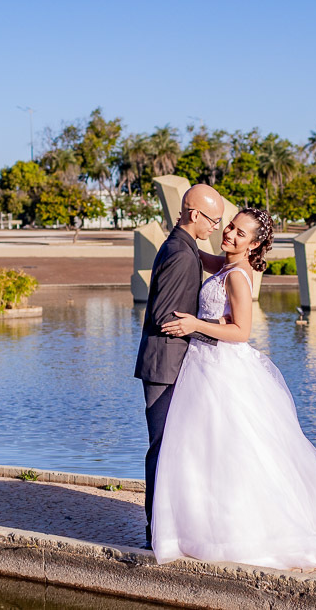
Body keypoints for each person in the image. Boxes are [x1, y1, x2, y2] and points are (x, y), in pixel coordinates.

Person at [153, 208, 316, 569]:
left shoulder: (237, 275)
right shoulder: (225, 263)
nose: (230, 234)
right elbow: (194, 252)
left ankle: (242, 530)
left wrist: (195, 324)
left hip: (221, 367)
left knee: (231, 447)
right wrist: (184, 227)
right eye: (230, 226)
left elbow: (241, 332)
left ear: (254, 244)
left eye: (240, 233)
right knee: (203, 449)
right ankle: (201, 525)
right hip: (203, 364)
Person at [134, 184, 225, 548]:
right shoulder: (181, 254)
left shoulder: (185, 247)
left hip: (171, 363)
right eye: (214, 220)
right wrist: (212, 329)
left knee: (175, 448)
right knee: (162, 449)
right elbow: (163, 316)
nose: (216, 227)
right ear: (194, 214)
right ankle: (156, 531)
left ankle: (169, 526)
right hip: (164, 366)